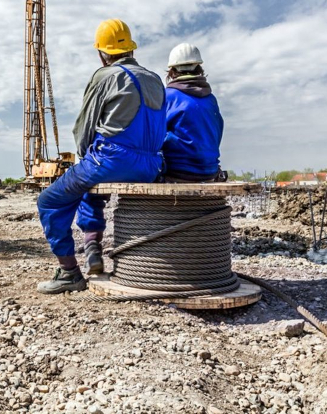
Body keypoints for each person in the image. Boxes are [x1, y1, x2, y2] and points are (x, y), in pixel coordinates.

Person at [36, 19, 166, 294]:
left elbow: (83, 127)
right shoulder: (155, 79)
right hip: (151, 165)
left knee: (49, 200)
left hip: (111, 159)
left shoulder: (105, 76)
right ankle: (92, 248)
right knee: (88, 186)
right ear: (131, 49)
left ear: (101, 53)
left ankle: (70, 272)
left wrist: (85, 157)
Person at [163, 43, 224, 182]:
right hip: (209, 170)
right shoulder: (211, 99)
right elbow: (217, 133)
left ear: (172, 71)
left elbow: (154, 136)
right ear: (199, 68)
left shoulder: (168, 97)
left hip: (177, 171)